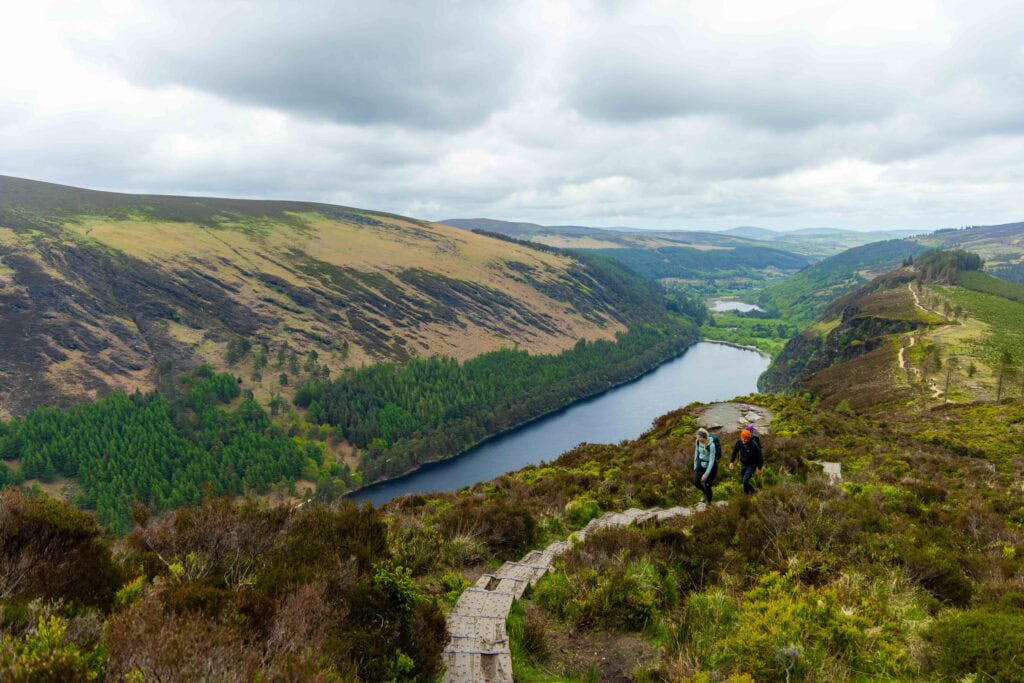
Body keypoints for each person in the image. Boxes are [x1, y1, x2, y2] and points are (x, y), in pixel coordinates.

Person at [729, 428, 763, 495]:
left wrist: (759, 468)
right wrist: (731, 462)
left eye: (746, 439)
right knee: (743, 480)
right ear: (741, 437)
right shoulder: (739, 442)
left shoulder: (754, 445)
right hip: (743, 464)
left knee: (745, 480)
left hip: (751, 465)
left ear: (749, 438)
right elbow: (735, 451)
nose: (744, 440)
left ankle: (750, 492)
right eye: (743, 438)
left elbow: (760, 457)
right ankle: (749, 493)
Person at [692, 428, 719, 503]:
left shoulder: (711, 445)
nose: (698, 439)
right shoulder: (697, 442)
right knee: (696, 482)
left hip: (711, 466)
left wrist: (705, 475)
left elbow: (711, 461)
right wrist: (695, 466)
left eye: (699, 437)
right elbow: (696, 453)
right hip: (701, 463)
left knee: (707, 485)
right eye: (697, 437)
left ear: (704, 437)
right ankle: (704, 493)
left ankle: (709, 503)